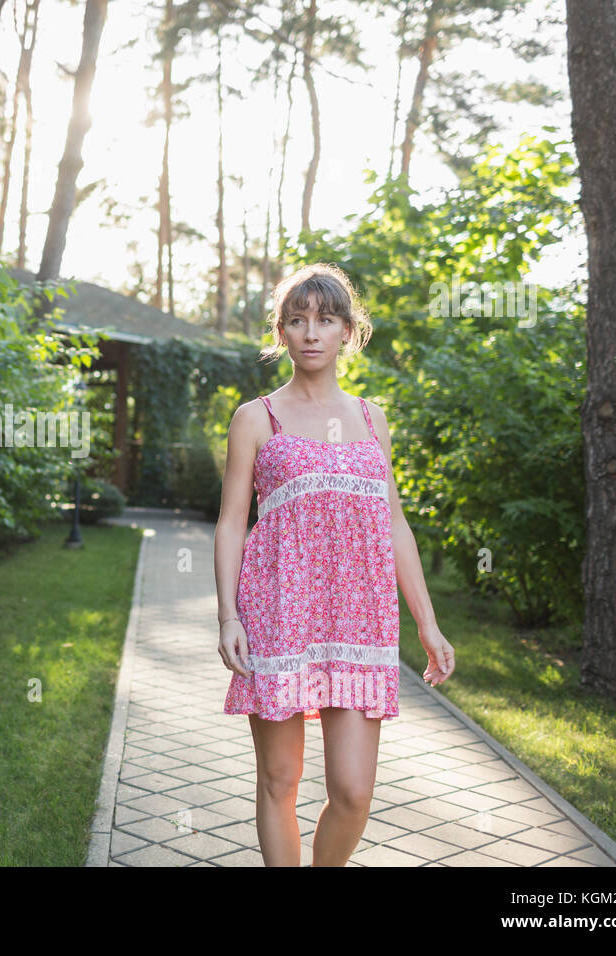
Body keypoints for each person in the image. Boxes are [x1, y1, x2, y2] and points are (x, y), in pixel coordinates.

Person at [213, 262, 455, 867]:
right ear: (281, 333)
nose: (311, 333)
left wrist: (426, 621)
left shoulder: (373, 419)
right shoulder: (255, 418)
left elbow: (393, 520)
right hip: (279, 616)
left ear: (349, 330)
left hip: (360, 621)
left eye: (325, 320)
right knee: (281, 780)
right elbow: (231, 522)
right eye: (297, 321)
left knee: (352, 793)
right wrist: (227, 617)